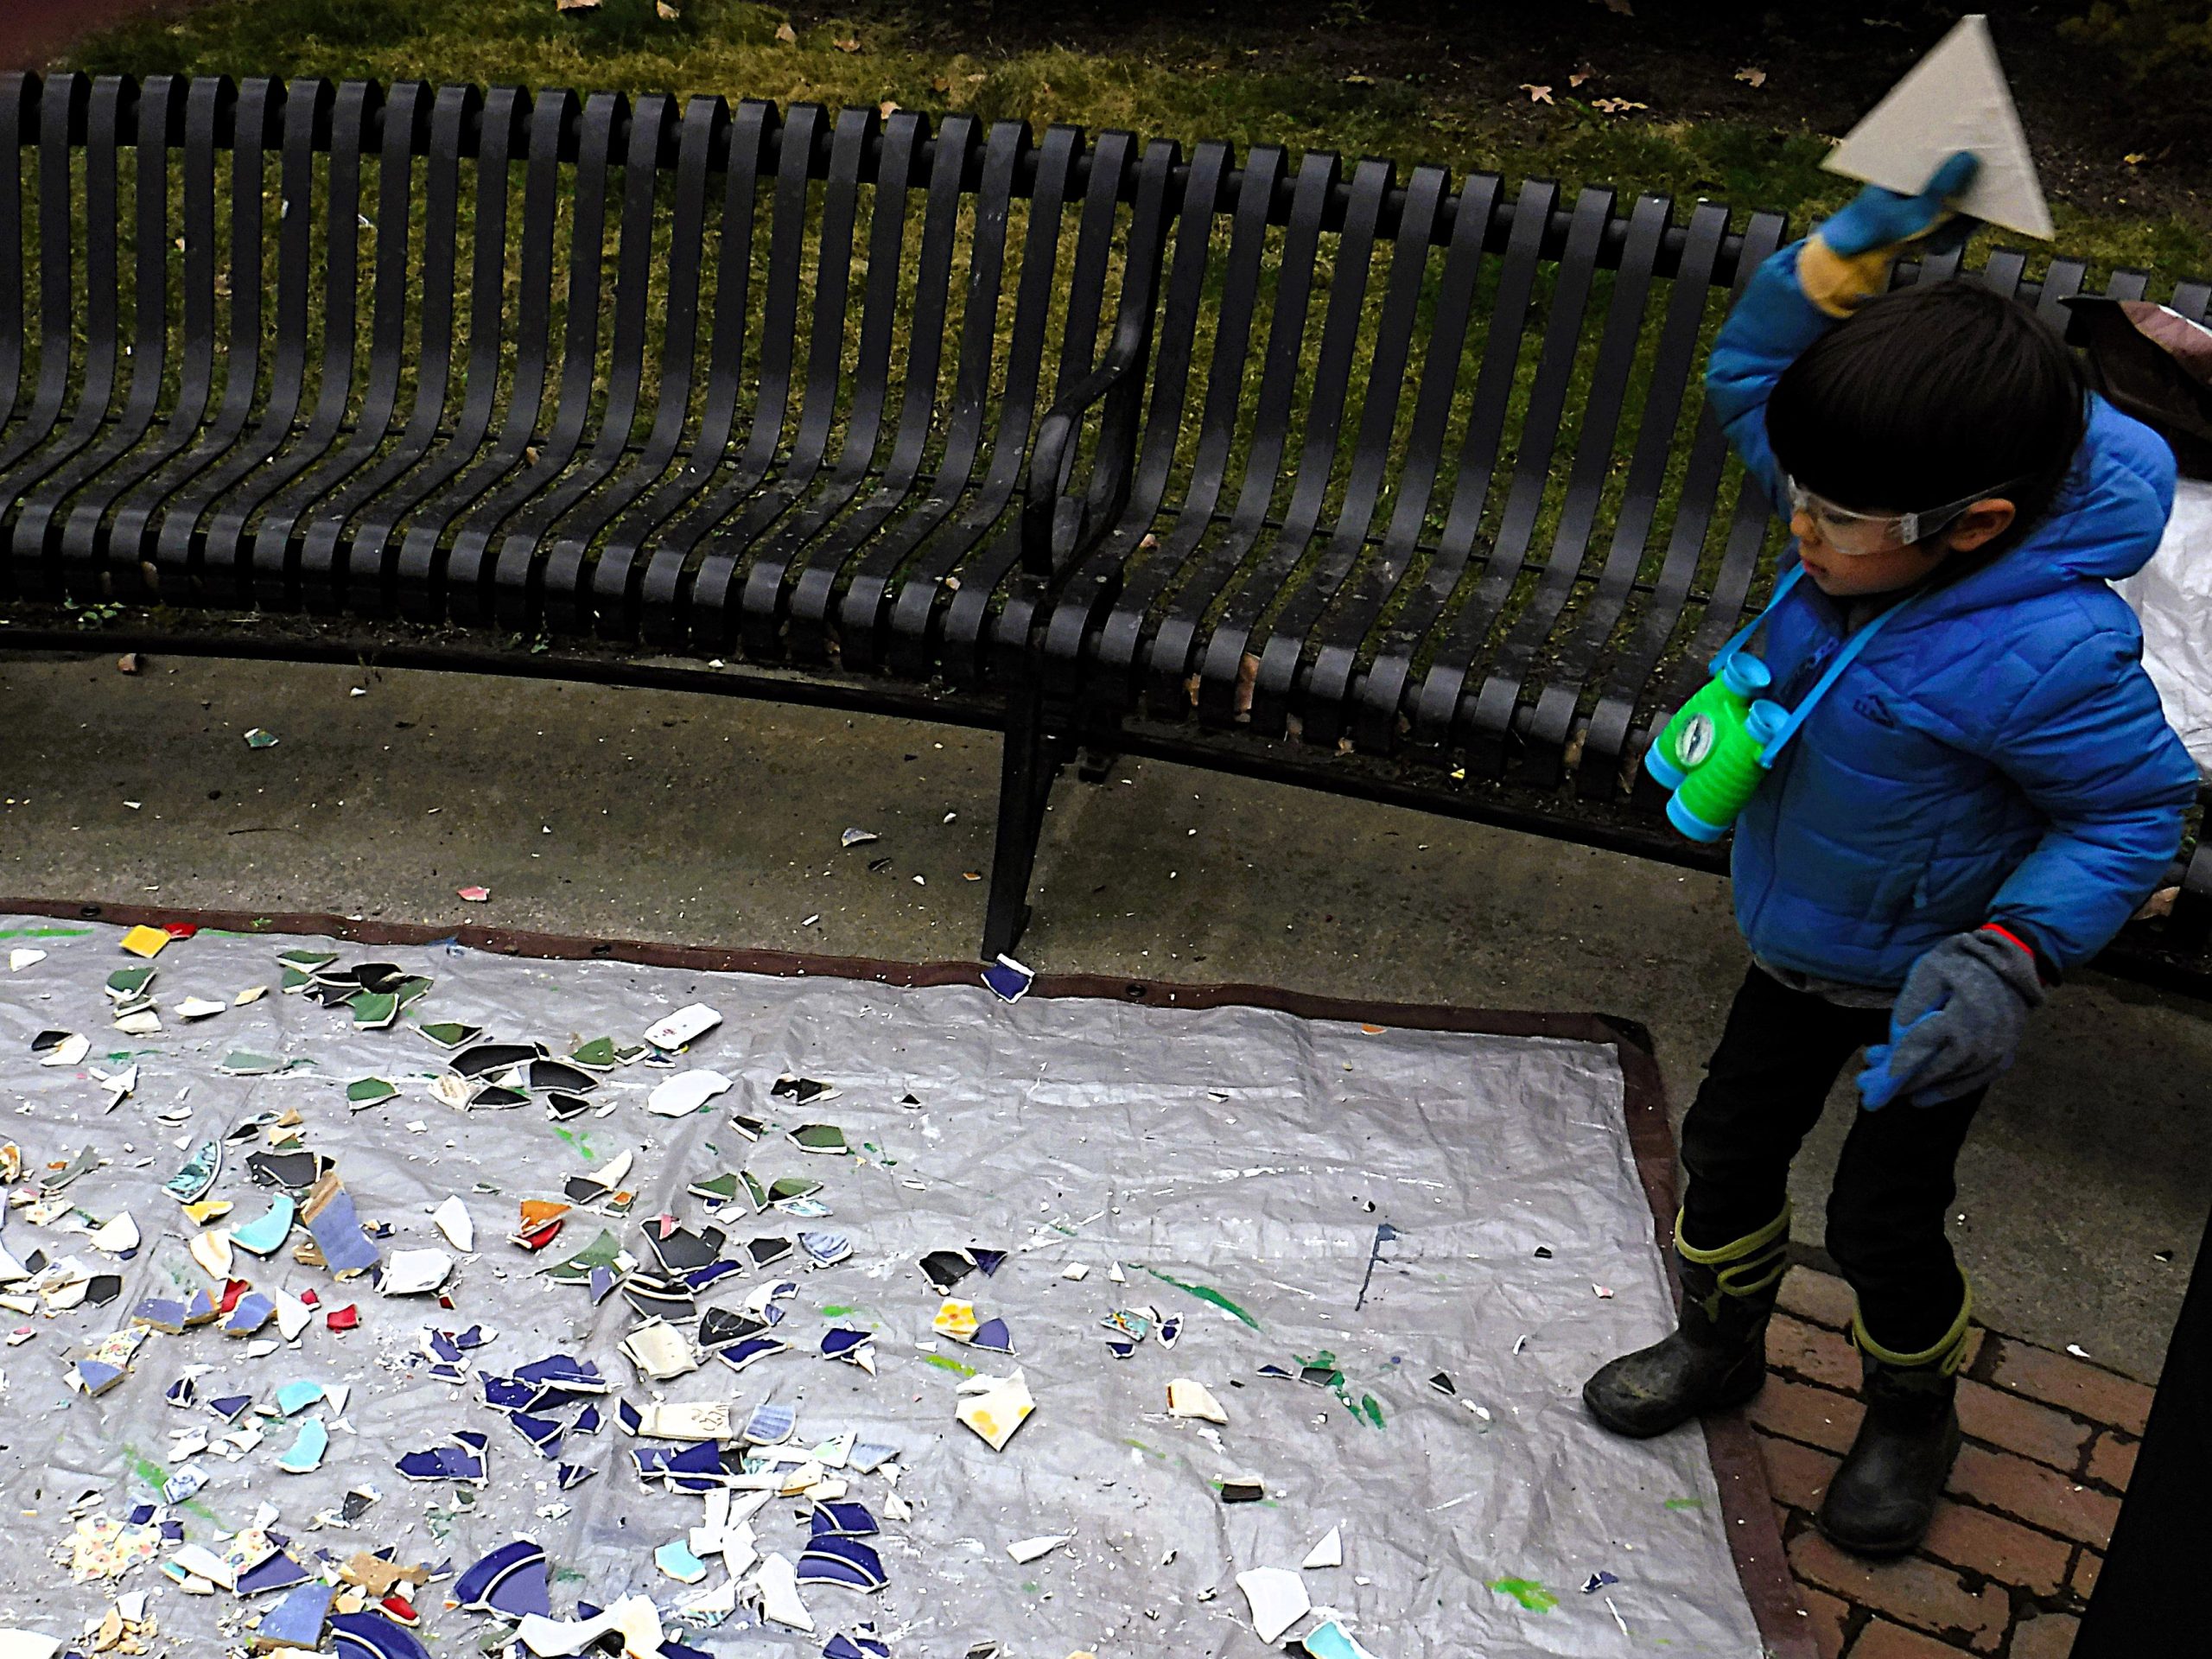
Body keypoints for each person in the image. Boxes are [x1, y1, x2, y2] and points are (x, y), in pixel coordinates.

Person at [1581, 153, 2201, 1558]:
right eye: (1797, 497)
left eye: (1827, 520)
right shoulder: (1871, 508)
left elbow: (2129, 815)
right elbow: (1754, 376)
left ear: (1975, 526)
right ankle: (1723, 1342)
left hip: (1927, 999)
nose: (1795, 531)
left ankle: (1913, 1408)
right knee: (1727, 1159)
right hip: (1796, 945)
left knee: (1883, 1220)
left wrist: (2009, 956)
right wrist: (1856, 243)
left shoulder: (2048, 654)